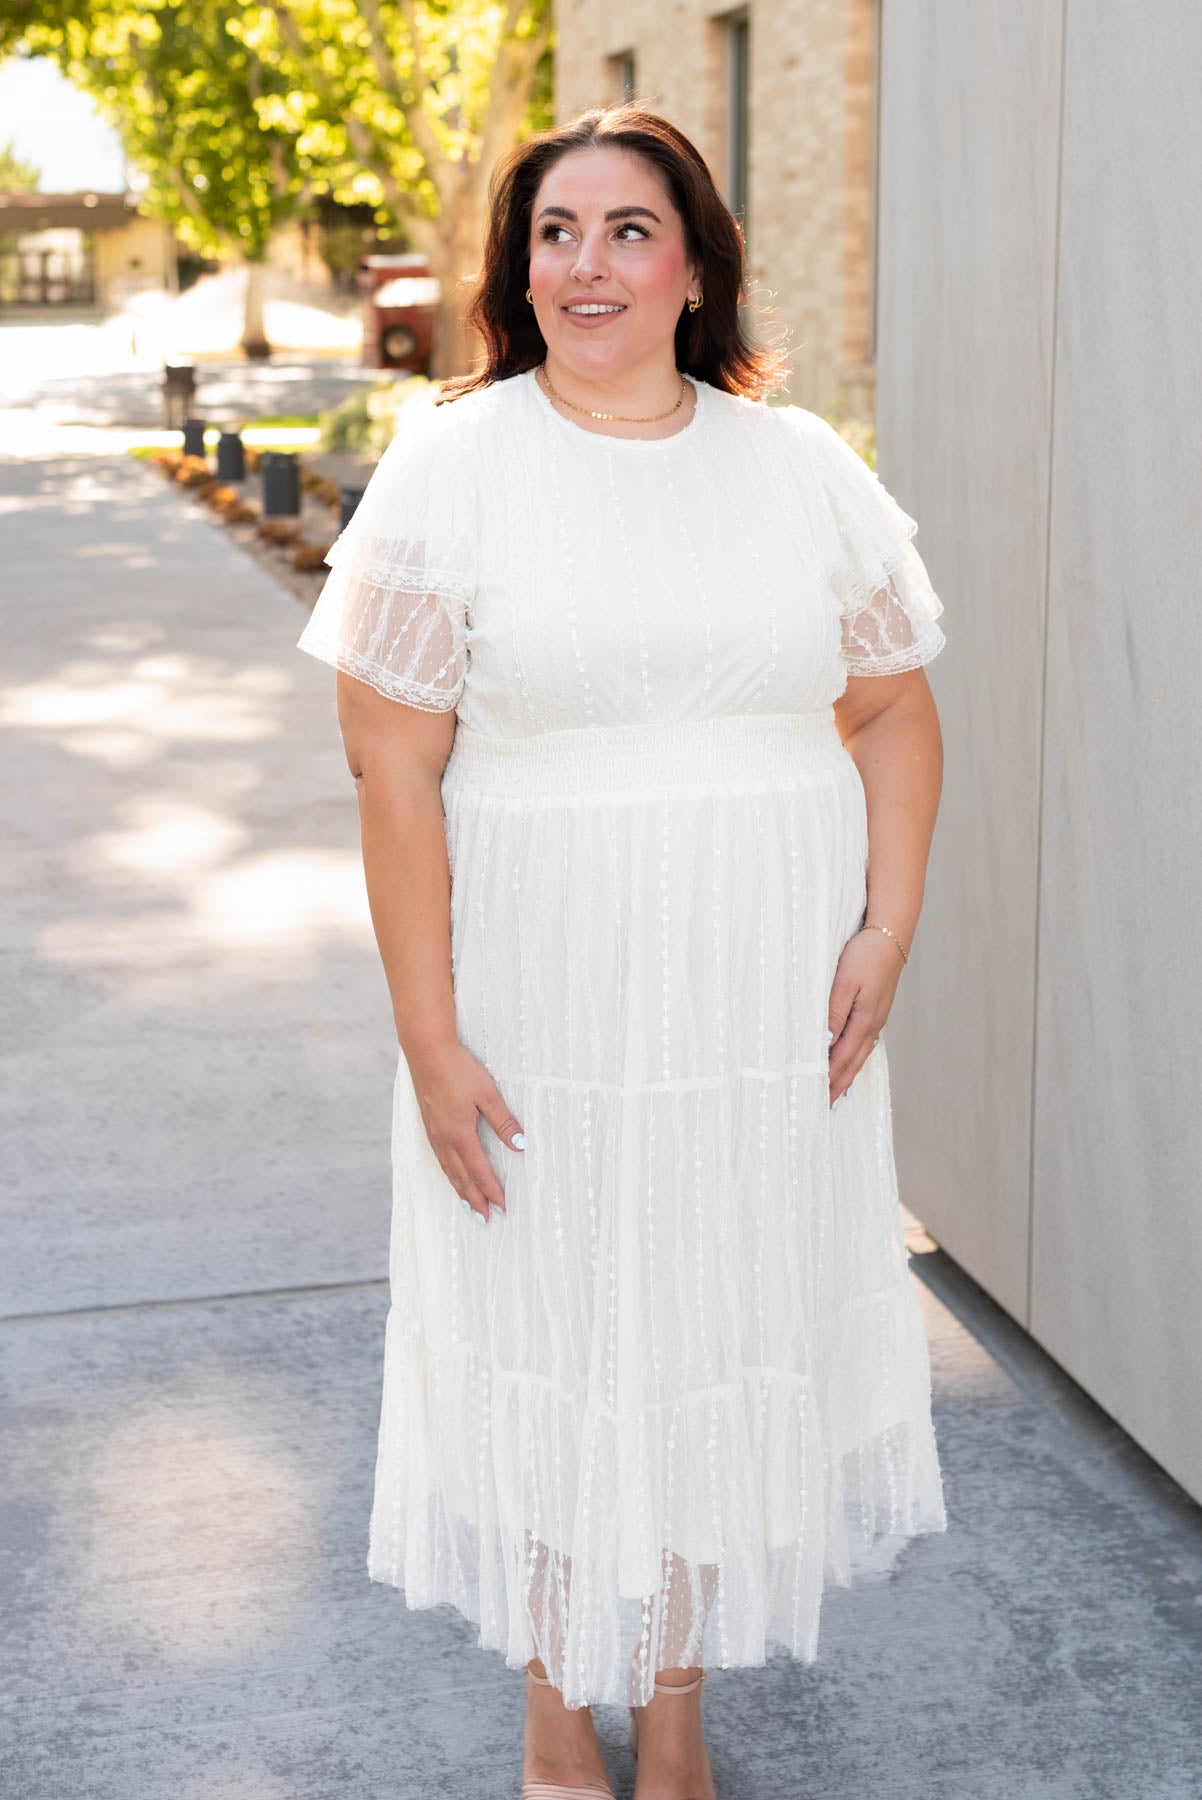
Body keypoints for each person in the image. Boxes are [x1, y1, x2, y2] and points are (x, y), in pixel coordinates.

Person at [297, 102, 948, 1800]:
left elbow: (888, 709)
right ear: (522, 273)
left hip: (753, 1009)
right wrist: (431, 1038)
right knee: (555, 1328)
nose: (587, 264)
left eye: (626, 229)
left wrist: (888, 922)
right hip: (544, 995)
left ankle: (669, 1710)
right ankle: (545, 1704)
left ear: (692, 268)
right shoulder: (457, 466)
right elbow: (391, 766)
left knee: (709, 1316)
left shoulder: (795, 465)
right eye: (555, 233)